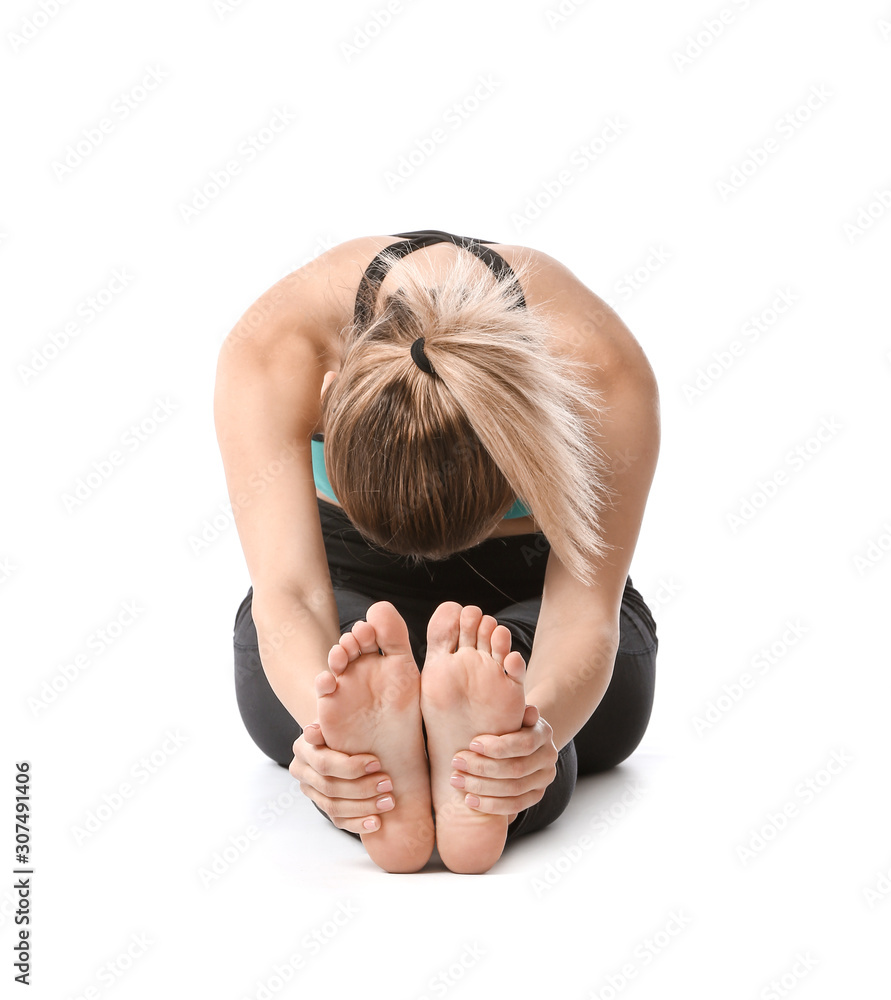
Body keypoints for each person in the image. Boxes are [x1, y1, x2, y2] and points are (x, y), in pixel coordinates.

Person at [215, 229, 660, 875]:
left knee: (533, 712)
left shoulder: (594, 366)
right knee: (325, 667)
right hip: (346, 582)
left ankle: (474, 761)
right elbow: (293, 593)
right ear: (329, 392)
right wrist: (326, 737)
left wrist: (535, 734)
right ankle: (423, 757)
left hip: (534, 590)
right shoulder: (278, 346)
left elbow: (582, 610)